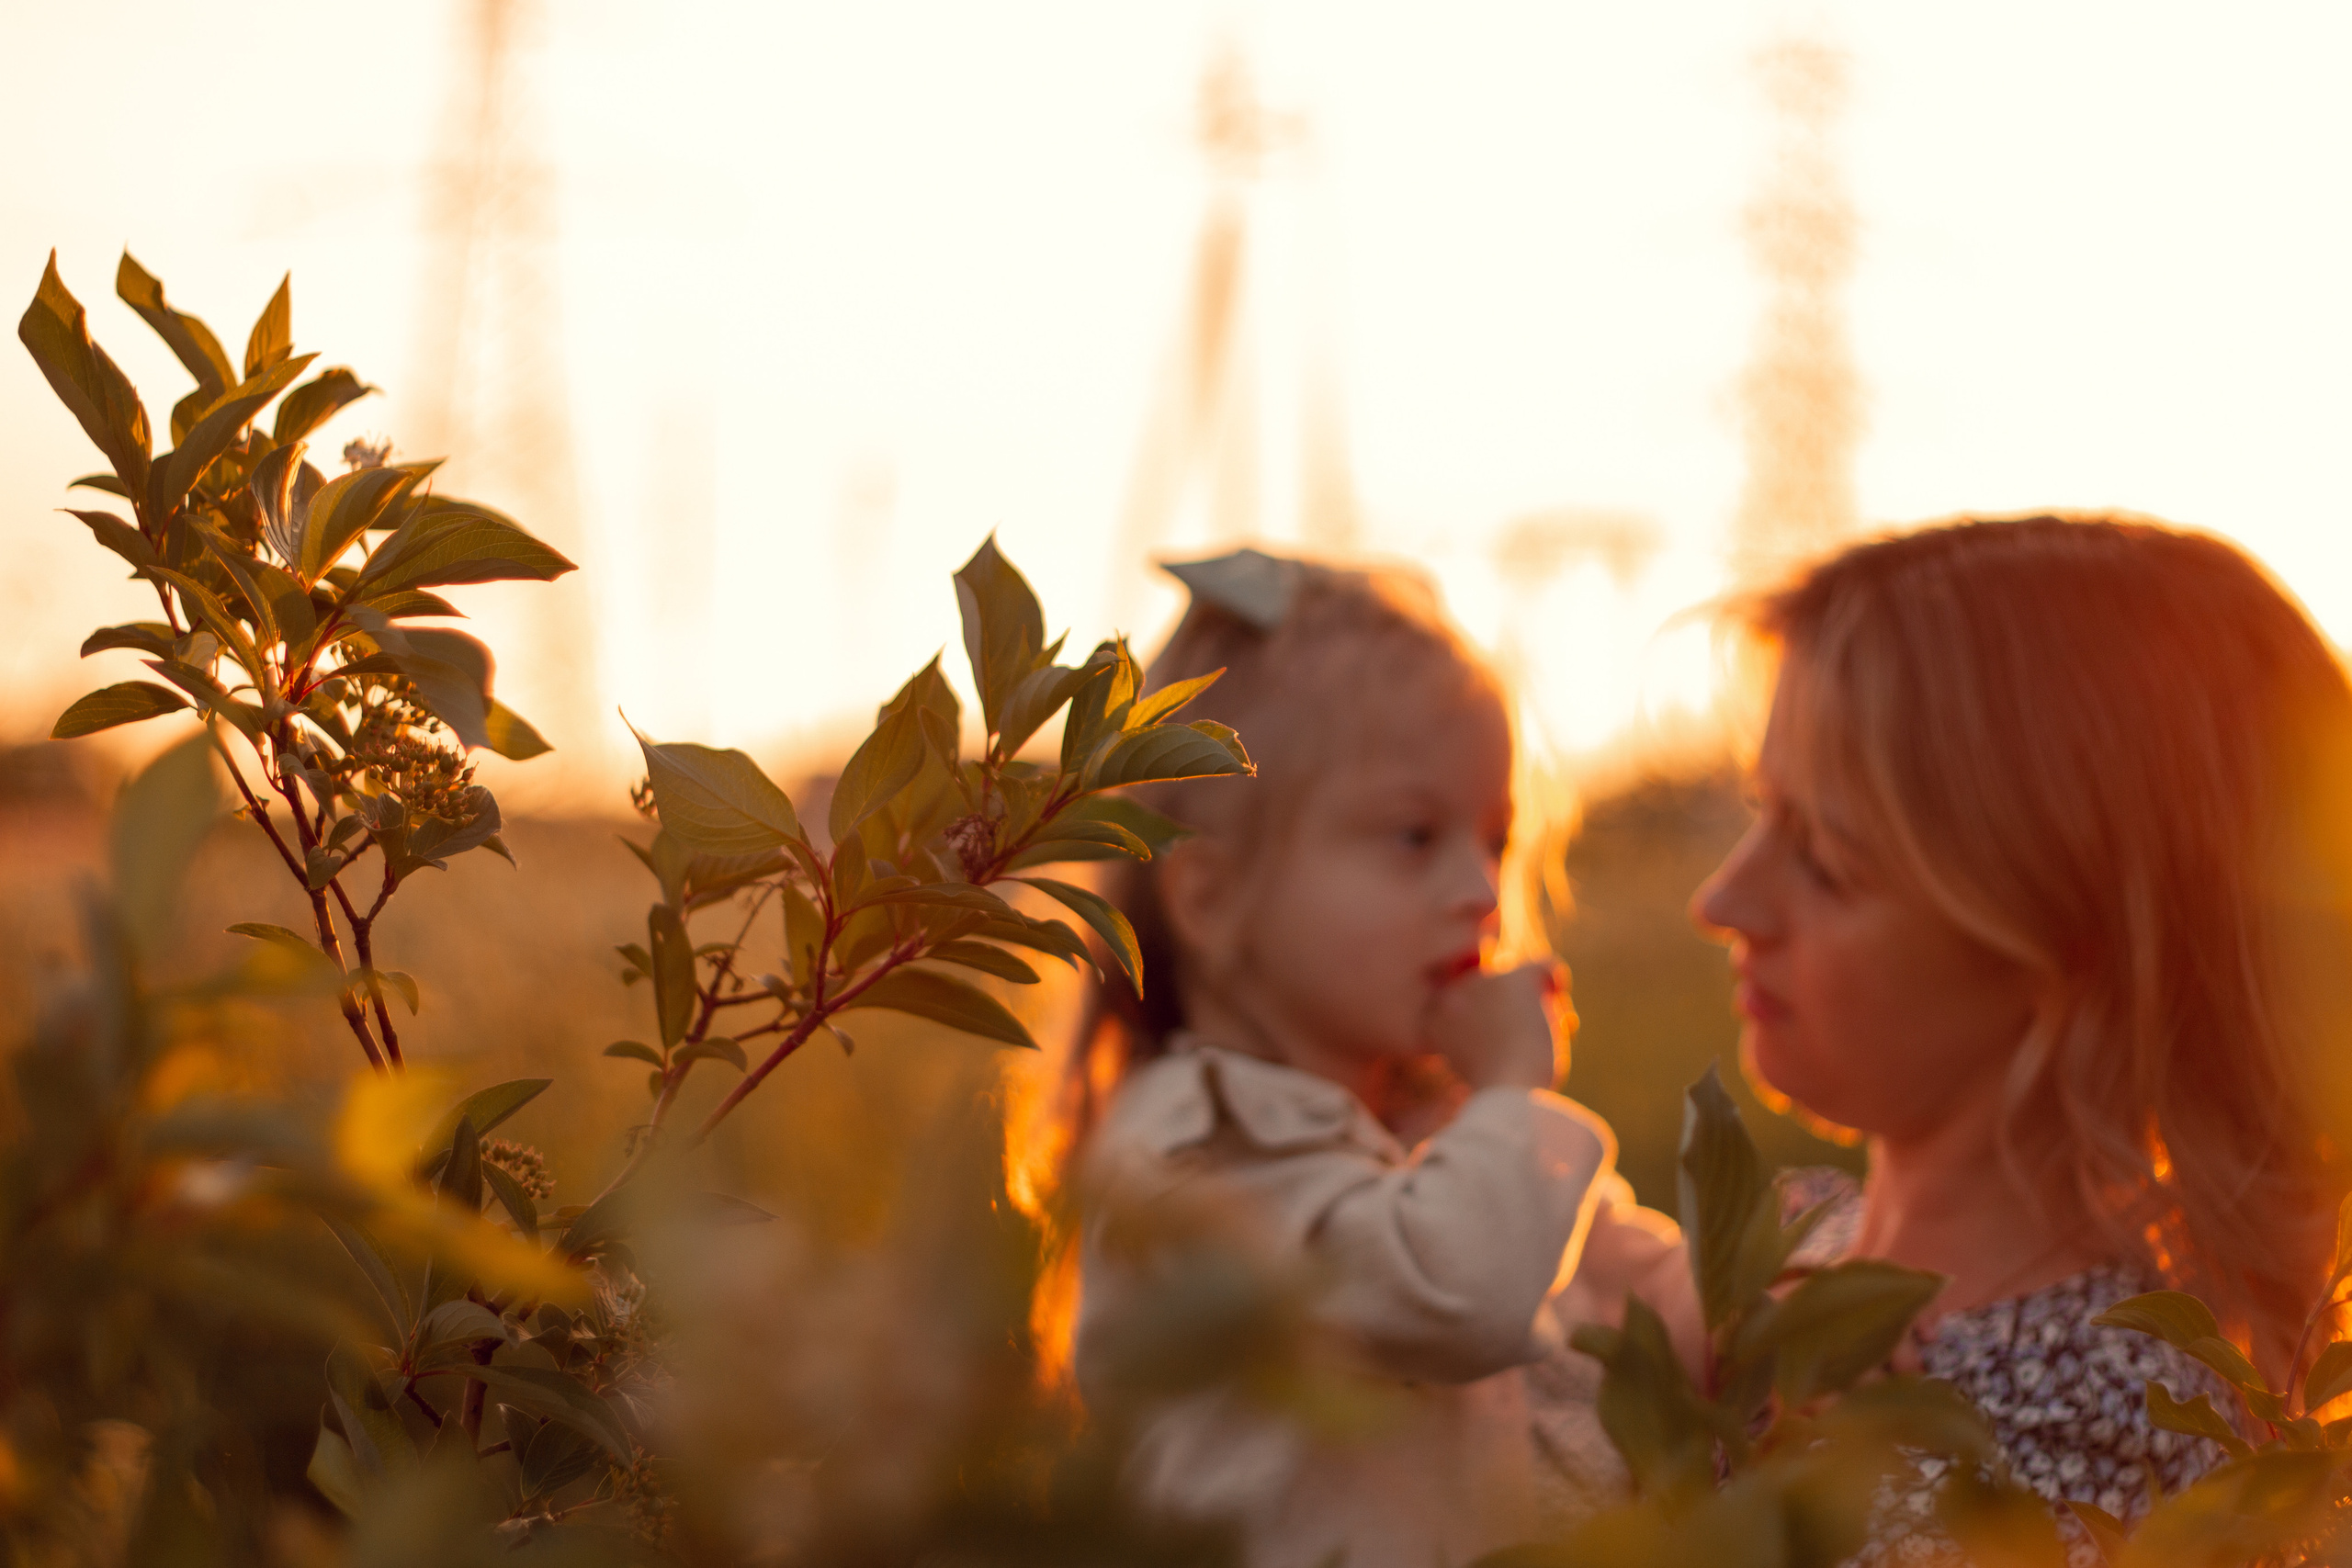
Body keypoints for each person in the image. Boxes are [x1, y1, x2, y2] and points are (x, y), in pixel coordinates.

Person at [1690, 513, 2352, 1552]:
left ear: (2056, 938)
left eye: (1823, 856)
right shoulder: (1809, 1246)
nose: (1721, 898)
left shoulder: (2061, 1447)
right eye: (1759, 812)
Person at [1065, 549, 1674, 1568]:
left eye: (1494, 838)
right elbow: (1458, 1292)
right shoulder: (1190, 1154)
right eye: (1412, 836)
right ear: (1213, 899)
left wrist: (1775, 1300)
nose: (1480, 890)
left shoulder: (1431, 1126)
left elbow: (1619, 1265)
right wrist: (1514, 1093)